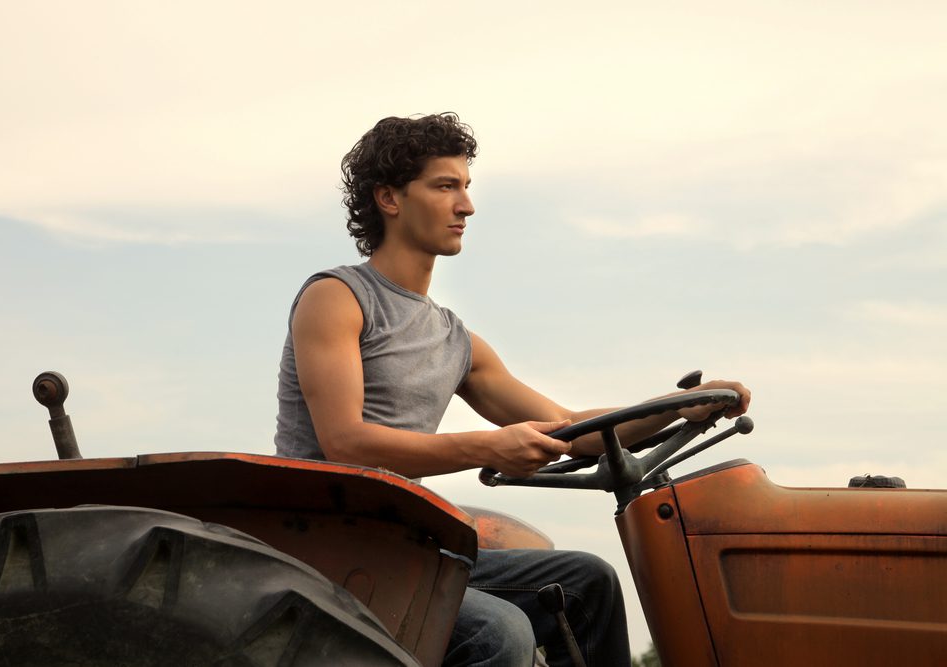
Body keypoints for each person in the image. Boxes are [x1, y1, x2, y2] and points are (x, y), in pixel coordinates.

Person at [275, 113, 751, 666]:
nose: (466, 207)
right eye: (445, 186)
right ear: (390, 198)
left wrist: (679, 409)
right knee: (498, 632)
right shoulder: (338, 297)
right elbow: (346, 444)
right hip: (327, 549)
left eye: (466, 188)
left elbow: (573, 428)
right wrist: (484, 446)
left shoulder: (454, 340)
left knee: (587, 583)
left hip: (406, 549)